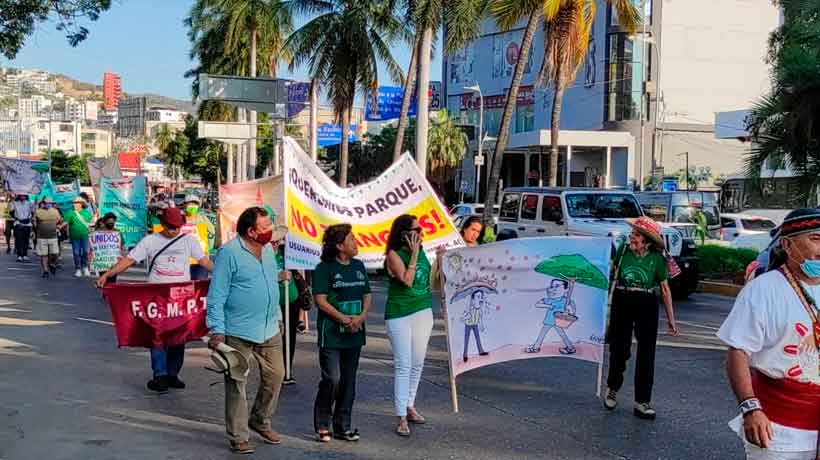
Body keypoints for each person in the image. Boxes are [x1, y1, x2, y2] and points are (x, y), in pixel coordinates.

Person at [717, 208, 820, 460]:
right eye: (816, 239)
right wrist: (750, 408)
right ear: (787, 244)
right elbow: (738, 353)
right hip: (778, 431)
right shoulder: (763, 290)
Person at [96, 207, 213, 393]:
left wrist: (221, 275)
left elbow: (204, 261)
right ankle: (159, 375)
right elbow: (129, 260)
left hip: (180, 298)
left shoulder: (189, 241)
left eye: (177, 227)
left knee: (178, 335)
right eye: (171, 227)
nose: (174, 230)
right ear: (162, 225)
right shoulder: (150, 241)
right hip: (157, 298)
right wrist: (108, 275)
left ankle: (173, 373)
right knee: (157, 334)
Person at [207, 206, 288, 454]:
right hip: (237, 330)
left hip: (269, 326)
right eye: (265, 227)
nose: (270, 231)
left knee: (276, 376)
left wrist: (279, 315)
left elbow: (265, 284)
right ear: (251, 231)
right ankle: (238, 435)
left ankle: (260, 419)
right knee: (236, 384)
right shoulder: (228, 253)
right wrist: (216, 330)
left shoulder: (267, 250)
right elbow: (216, 294)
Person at [604, 216, 678, 420]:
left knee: (647, 352)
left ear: (647, 241)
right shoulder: (622, 251)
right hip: (622, 297)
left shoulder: (657, 258)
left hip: (646, 301)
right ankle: (612, 388)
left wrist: (671, 319)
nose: (632, 238)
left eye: (637, 235)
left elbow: (664, 288)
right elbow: (609, 274)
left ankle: (642, 402)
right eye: (632, 234)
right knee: (620, 349)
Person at [312, 224, 371, 443]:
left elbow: (367, 294)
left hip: (355, 333)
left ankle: (342, 426)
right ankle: (322, 424)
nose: (356, 243)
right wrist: (344, 319)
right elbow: (320, 300)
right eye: (352, 240)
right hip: (332, 334)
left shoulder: (358, 265)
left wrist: (361, 317)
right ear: (339, 246)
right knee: (332, 379)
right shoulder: (324, 268)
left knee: (348, 380)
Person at [384, 214, 434, 437]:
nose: (421, 234)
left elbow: (431, 281)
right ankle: (400, 416)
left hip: (423, 310)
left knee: (417, 362)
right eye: (417, 230)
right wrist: (413, 255)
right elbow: (406, 280)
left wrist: (440, 261)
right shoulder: (393, 255)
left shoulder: (423, 251)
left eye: (421, 230)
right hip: (399, 313)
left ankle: (409, 405)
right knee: (403, 363)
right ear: (404, 233)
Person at [273, 232, 309, 386]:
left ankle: (287, 370)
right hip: (272, 302)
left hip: (291, 300)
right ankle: (275, 370)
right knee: (273, 337)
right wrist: (278, 276)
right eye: (271, 241)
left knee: (289, 336)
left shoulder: (286, 252)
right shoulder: (259, 255)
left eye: (277, 240)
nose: (274, 244)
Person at [181, 194, 214, 280]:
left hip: (201, 259)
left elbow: (212, 233)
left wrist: (207, 249)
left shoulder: (203, 218)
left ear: (198, 205)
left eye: (195, 204)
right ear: (184, 205)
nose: (192, 206)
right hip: (183, 260)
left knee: (199, 284)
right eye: (190, 203)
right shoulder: (180, 218)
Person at [63, 196, 94, 277]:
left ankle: (85, 267)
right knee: (76, 253)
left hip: (85, 236)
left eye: (76, 203)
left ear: (81, 204)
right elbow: (65, 222)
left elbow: (91, 223)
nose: (74, 205)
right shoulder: (70, 212)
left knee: (86, 252)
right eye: (74, 203)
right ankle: (78, 269)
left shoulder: (87, 213)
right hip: (74, 237)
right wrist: (59, 227)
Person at [34, 197, 63, 278]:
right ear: (43, 203)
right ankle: (45, 271)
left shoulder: (55, 211)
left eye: (49, 203)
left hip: (53, 236)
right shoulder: (38, 212)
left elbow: (61, 221)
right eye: (46, 203)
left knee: (55, 254)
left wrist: (59, 227)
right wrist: (37, 228)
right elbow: (34, 222)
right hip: (41, 237)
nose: (48, 204)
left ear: (51, 203)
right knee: (44, 255)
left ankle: (51, 264)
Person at [10, 194, 33, 262]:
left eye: (24, 196)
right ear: (19, 196)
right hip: (18, 223)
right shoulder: (14, 203)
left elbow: (33, 211)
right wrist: (16, 218)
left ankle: (25, 255)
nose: (23, 197)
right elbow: (11, 212)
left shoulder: (29, 203)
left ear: (26, 196)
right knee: (19, 240)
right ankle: (19, 255)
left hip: (27, 224)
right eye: (21, 196)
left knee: (26, 240)